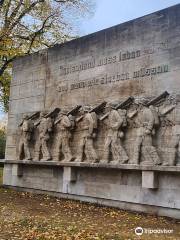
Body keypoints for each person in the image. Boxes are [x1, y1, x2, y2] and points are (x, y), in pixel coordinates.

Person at [131, 100, 161, 165]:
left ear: (141, 104)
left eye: (137, 105)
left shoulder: (147, 110)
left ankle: (157, 160)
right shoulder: (139, 111)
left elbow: (151, 119)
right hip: (140, 130)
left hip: (146, 130)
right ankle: (135, 161)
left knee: (148, 146)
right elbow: (138, 121)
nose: (136, 106)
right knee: (137, 145)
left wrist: (149, 129)